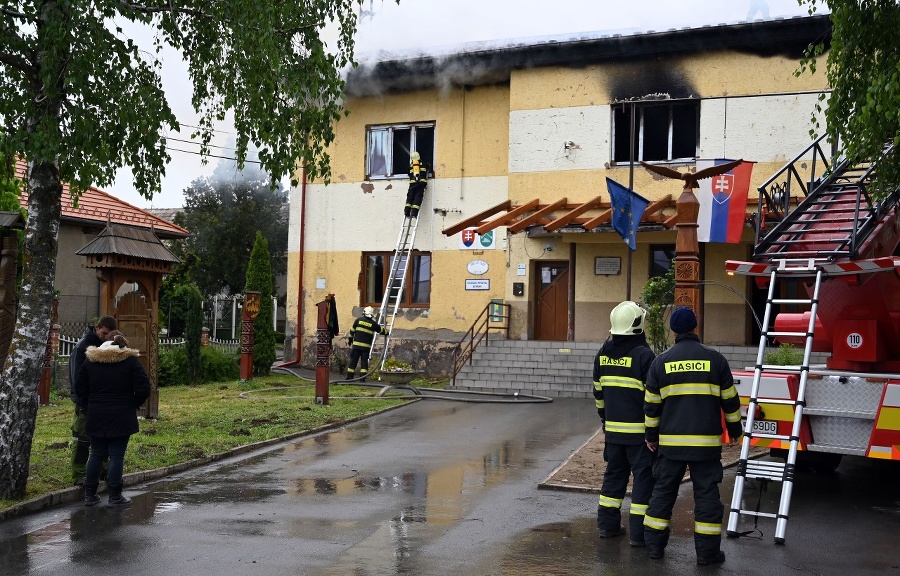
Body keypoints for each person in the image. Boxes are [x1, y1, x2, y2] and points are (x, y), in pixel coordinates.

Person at [642, 307, 743, 566]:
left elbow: (651, 406)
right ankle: (708, 555)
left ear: (673, 331)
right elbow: (730, 402)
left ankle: (654, 547)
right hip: (706, 446)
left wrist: (651, 436)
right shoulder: (716, 360)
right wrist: (734, 431)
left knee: (663, 492)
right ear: (695, 327)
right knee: (707, 496)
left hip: (671, 446)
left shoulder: (660, 362)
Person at [593, 301, 656, 545]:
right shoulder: (644, 355)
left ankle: (608, 526)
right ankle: (638, 536)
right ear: (638, 325)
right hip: (640, 436)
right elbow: (652, 399)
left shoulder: (603, 354)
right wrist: (653, 430)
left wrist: (606, 423)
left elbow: (599, 395)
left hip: (614, 434)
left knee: (613, 477)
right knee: (644, 480)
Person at [75, 330, 151, 506]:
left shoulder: (91, 360)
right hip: (121, 413)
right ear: (123, 344)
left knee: (95, 454)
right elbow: (144, 387)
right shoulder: (130, 361)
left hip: (96, 413)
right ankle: (115, 496)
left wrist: (89, 404)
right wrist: (133, 403)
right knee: (117, 456)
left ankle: (90, 495)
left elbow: (80, 387)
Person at [68, 315, 117, 485]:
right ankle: (79, 474)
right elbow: (77, 377)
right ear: (97, 327)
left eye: (108, 335)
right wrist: (81, 399)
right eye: (103, 333)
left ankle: (102, 471)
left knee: (101, 438)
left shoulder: (105, 346)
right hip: (85, 401)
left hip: (100, 401)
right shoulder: (83, 346)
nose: (105, 337)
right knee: (82, 439)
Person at [345, 306, 387, 382]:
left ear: (364, 312)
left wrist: (350, 340)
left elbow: (352, 331)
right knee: (364, 363)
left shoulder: (358, 320)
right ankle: (362, 378)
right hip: (365, 347)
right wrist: (387, 332)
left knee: (353, 361)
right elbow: (381, 330)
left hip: (356, 346)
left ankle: (349, 377)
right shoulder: (373, 324)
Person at [404, 151, 428, 218]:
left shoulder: (410, 166)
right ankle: (414, 213)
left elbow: (409, 173)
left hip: (412, 184)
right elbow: (428, 167)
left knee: (410, 198)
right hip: (420, 184)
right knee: (418, 197)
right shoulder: (424, 164)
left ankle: (407, 212)